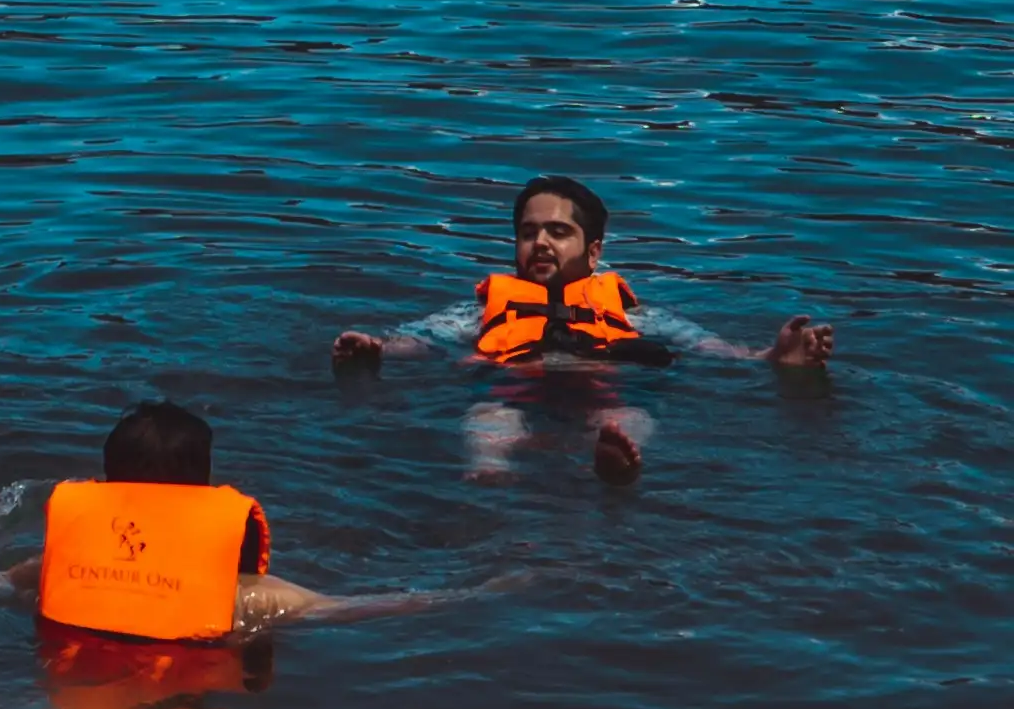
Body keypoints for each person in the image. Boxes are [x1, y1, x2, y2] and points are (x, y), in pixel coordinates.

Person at [331, 173, 834, 480]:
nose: (541, 243)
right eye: (528, 234)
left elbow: (705, 345)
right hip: (514, 390)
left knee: (628, 417)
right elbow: (423, 338)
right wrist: (379, 348)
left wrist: (769, 358)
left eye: (558, 232)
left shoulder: (635, 314)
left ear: (594, 251)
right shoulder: (481, 311)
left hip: (603, 389)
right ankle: (490, 471)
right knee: (487, 420)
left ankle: (614, 460)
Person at [9, 399, 351, 648]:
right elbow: (342, 611)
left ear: (108, 482)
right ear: (201, 489)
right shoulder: (247, 597)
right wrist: (406, 601)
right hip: (183, 708)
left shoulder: (53, 571)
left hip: (68, 698)